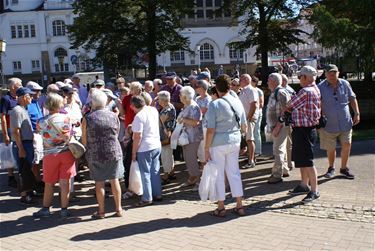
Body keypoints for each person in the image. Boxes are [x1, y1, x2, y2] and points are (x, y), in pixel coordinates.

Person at [205, 74, 247, 217]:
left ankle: (221, 207)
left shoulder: (214, 104)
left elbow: (210, 130)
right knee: (234, 172)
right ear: (230, 87)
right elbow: (244, 126)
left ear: (216, 88)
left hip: (218, 143)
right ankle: (239, 205)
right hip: (234, 140)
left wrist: (206, 148)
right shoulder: (237, 101)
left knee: (219, 175)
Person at [81, 90, 124, 218]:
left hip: (95, 153)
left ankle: (101, 211)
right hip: (113, 151)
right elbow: (116, 133)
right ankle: (119, 209)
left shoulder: (87, 118)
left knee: (99, 182)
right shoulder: (113, 116)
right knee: (114, 180)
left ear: (93, 103)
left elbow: (84, 139)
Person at [33, 93, 76, 218]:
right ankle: (64, 209)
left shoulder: (40, 122)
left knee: (49, 182)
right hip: (65, 152)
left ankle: (46, 209)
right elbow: (68, 136)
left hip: (49, 154)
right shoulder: (66, 119)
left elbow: (40, 134)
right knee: (65, 182)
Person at [285, 66, 321, 203]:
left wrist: (289, 105)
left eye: (300, 76)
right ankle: (303, 185)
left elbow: (289, 105)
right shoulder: (316, 89)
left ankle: (314, 190)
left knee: (307, 161)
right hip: (308, 130)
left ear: (305, 77)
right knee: (302, 160)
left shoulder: (305, 91)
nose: (299, 79)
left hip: (303, 130)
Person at [318, 64, 360, 179]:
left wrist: (356, 113)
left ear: (338, 73)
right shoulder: (320, 87)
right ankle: (331, 167)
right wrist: (319, 118)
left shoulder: (345, 83)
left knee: (347, 144)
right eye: (329, 73)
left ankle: (344, 168)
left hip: (345, 121)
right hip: (329, 124)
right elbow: (317, 104)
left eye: (334, 73)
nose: (332, 75)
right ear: (325, 74)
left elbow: (352, 98)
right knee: (331, 148)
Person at [131, 95, 162, 206]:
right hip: (156, 144)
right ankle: (157, 194)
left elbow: (137, 137)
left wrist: (134, 152)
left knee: (145, 173)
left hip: (145, 147)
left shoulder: (139, 116)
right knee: (155, 171)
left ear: (134, 106)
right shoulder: (153, 109)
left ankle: (147, 198)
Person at [10, 87, 37, 204]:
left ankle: (29, 191)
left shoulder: (23, 109)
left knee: (27, 168)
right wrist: (20, 148)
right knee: (23, 169)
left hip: (27, 143)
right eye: (29, 96)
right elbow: (16, 131)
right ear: (23, 97)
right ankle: (24, 195)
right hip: (23, 144)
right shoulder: (17, 110)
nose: (31, 98)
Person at [266, 73, 291, 184]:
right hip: (277, 126)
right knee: (281, 148)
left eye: (268, 80)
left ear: (274, 81)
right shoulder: (276, 92)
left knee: (278, 149)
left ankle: (277, 174)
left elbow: (286, 111)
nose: (267, 82)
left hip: (280, 126)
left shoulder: (280, 92)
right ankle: (284, 170)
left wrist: (277, 126)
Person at [177, 86, 203, 189]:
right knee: (188, 159)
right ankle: (192, 178)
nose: (179, 97)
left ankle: (198, 180)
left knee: (191, 159)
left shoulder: (193, 106)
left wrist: (183, 120)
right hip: (187, 137)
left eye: (180, 95)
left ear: (185, 96)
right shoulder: (187, 106)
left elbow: (195, 122)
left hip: (193, 137)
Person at [121, 81, 143, 199]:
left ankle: (135, 187)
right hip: (129, 129)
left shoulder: (142, 98)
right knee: (129, 161)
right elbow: (123, 112)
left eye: (139, 89)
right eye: (135, 88)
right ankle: (130, 187)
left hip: (138, 131)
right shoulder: (127, 98)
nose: (137, 91)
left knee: (133, 160)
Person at [1, 78, 22, 187]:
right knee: (9, 152)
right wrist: (5, 134)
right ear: (13, 86)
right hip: (10, 129)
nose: (22, 86)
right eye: (20, 84)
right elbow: (3, 117)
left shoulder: (19, 98)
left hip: (19, 129)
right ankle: (10, 176)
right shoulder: (6, 99)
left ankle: (20, 173)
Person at [25, 81, 44, 189]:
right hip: (33, 135)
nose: (39, 93)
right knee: (34, 159)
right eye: (37, 91)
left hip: (39, 134)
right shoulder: (27, 105)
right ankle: (36, 182)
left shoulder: (35, 102)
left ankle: (37, 180)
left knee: (38, 159)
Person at [239, 74, 259, 168]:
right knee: (248, 139)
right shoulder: (244, 90)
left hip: (249, 118)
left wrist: (248, 117)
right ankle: (250, 159)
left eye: (241, 79)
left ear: (246, 79)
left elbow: (254, 104)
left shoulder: (251, 89)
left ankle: (251, 161)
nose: (239, 81)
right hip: (246, 118)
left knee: (250, 139)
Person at [157, 91, 177, 184]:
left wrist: (167, 137)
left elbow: (166, 126)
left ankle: (166, 175)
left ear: (163, 100)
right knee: (169, 154)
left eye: (159, 99)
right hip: (169, 134)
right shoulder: (170, 106)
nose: (158, 101)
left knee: (165, 155)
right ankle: (171, 172)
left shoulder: (166, 111)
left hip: (166, 135)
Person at [195, 80, 212, 167]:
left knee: (204, 147)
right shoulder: (197, 99)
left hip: (205, 127)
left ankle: (205, 167)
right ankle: (203, 165)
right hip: (198, 127)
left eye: (197, 86)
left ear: (202, 88)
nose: (195, 88)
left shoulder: (208, 99)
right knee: (200, 148)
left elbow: (202, 111)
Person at [281, 74, 295, 170]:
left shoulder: (287, 91)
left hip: (287, 121)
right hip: (287, 120)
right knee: (287, 143)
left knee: (288, 143)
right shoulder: (287, 90)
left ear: (284, 81)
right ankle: (288, 162)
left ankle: (288, 163)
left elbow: (292, 107)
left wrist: (284, 110)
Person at [251, 76, 264, 157]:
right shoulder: (249, 90)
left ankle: (258, 151)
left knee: (256, 132)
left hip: (257, 114)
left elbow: (261, 104)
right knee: (252, 133)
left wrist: (254, 111)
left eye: (251, 81)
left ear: (255, 82)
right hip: (251, 114)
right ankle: (252, 150)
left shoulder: (259, 91)